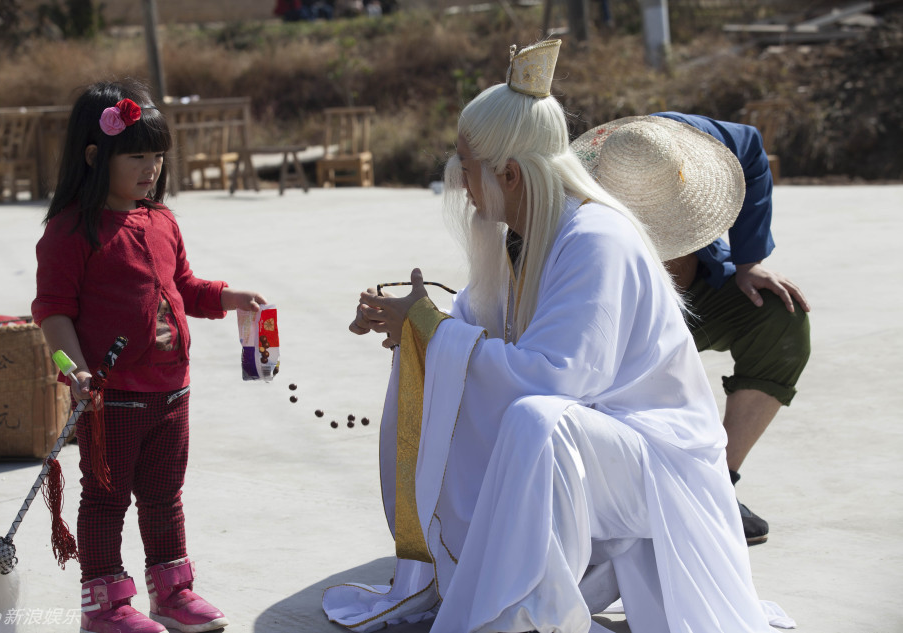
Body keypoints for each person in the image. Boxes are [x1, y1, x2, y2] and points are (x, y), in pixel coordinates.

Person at [324, 40, 792, 633]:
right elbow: (474, 323)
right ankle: (501, 587)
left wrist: (433, 332)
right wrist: (411, 322)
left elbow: (555, 378)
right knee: (503, 400)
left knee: (538, 423)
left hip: (662, 465)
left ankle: (528, 612)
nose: (460, 182)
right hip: (613, 449)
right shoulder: (529, 231)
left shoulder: (596, 237)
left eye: (465, 167)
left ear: (510, 174)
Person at [31, 79, 266, 633]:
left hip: (172, 391)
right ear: (95, 156)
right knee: (106, 501)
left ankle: (172, 591)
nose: (151, 169)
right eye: (137, 156)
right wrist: (75, 371)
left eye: (157, 157)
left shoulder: (161, 220)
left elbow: (182, 286)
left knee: (164, 497)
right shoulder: (69, 232)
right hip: (111, 397)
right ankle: (105, 605)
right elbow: (53, 314)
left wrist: (227, 297)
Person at [572, 113, 812, 545]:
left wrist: (749, 259)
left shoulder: (692, 138)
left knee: (780, 318)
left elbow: (752, 149)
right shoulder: (564, 183)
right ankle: (611, 501)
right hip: (609, 306)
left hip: (696, 291)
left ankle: (716, 486)